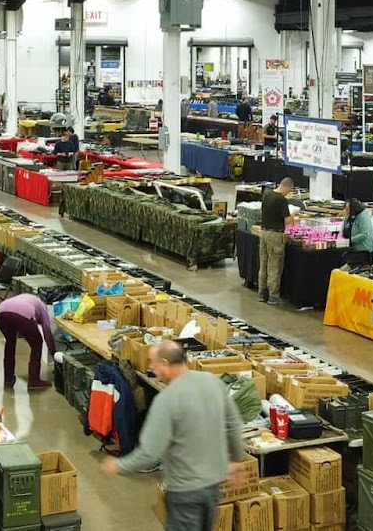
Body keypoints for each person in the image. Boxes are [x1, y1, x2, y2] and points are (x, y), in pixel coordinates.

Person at [101, 340, 249, 531]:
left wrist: (119, 465)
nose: (150, 368)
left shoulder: (167, 400)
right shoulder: (213, 382)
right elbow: (232, 424)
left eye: (152, 363)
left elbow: (149, 453)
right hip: (212, 488)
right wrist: (237, 459)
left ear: (165, 363)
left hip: (185, 493)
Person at [0, 293, 57, 390]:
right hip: (22, 314)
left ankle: (8, 378)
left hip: (1, 311)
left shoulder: (28, 298)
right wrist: (53, 352)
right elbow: (47, 331)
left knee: (10, 343)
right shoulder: (42, 307)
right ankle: (34, 381)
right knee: (37, 343)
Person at [258, 177, 293, 306]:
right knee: (275, 265)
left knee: (264, 263)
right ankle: (273, 295)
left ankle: (262, 292)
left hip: (263, 232)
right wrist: (293, 216)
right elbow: (288, 221)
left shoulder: (267, 195)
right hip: (275, 235)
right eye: (289, 191)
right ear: (287, 187)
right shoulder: (281, 200)